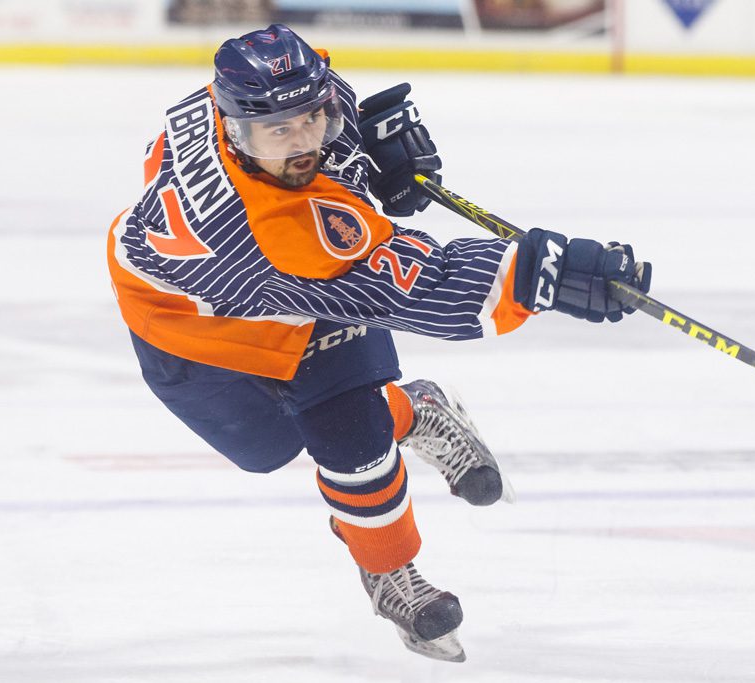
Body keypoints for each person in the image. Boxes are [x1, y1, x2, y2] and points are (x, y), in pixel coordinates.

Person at [107, 24, 651, 663]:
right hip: (190, 331)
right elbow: (424, 287)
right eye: (279, 133)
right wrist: (542, 276)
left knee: (349, 436)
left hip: (296, 297)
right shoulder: (272, 234)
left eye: (314, 120)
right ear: (234, 127)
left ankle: (389, 572)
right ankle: (414, 410)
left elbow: (326, 125)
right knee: (269, 451)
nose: (304, 143)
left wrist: (365, 151)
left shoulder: (243, 98)